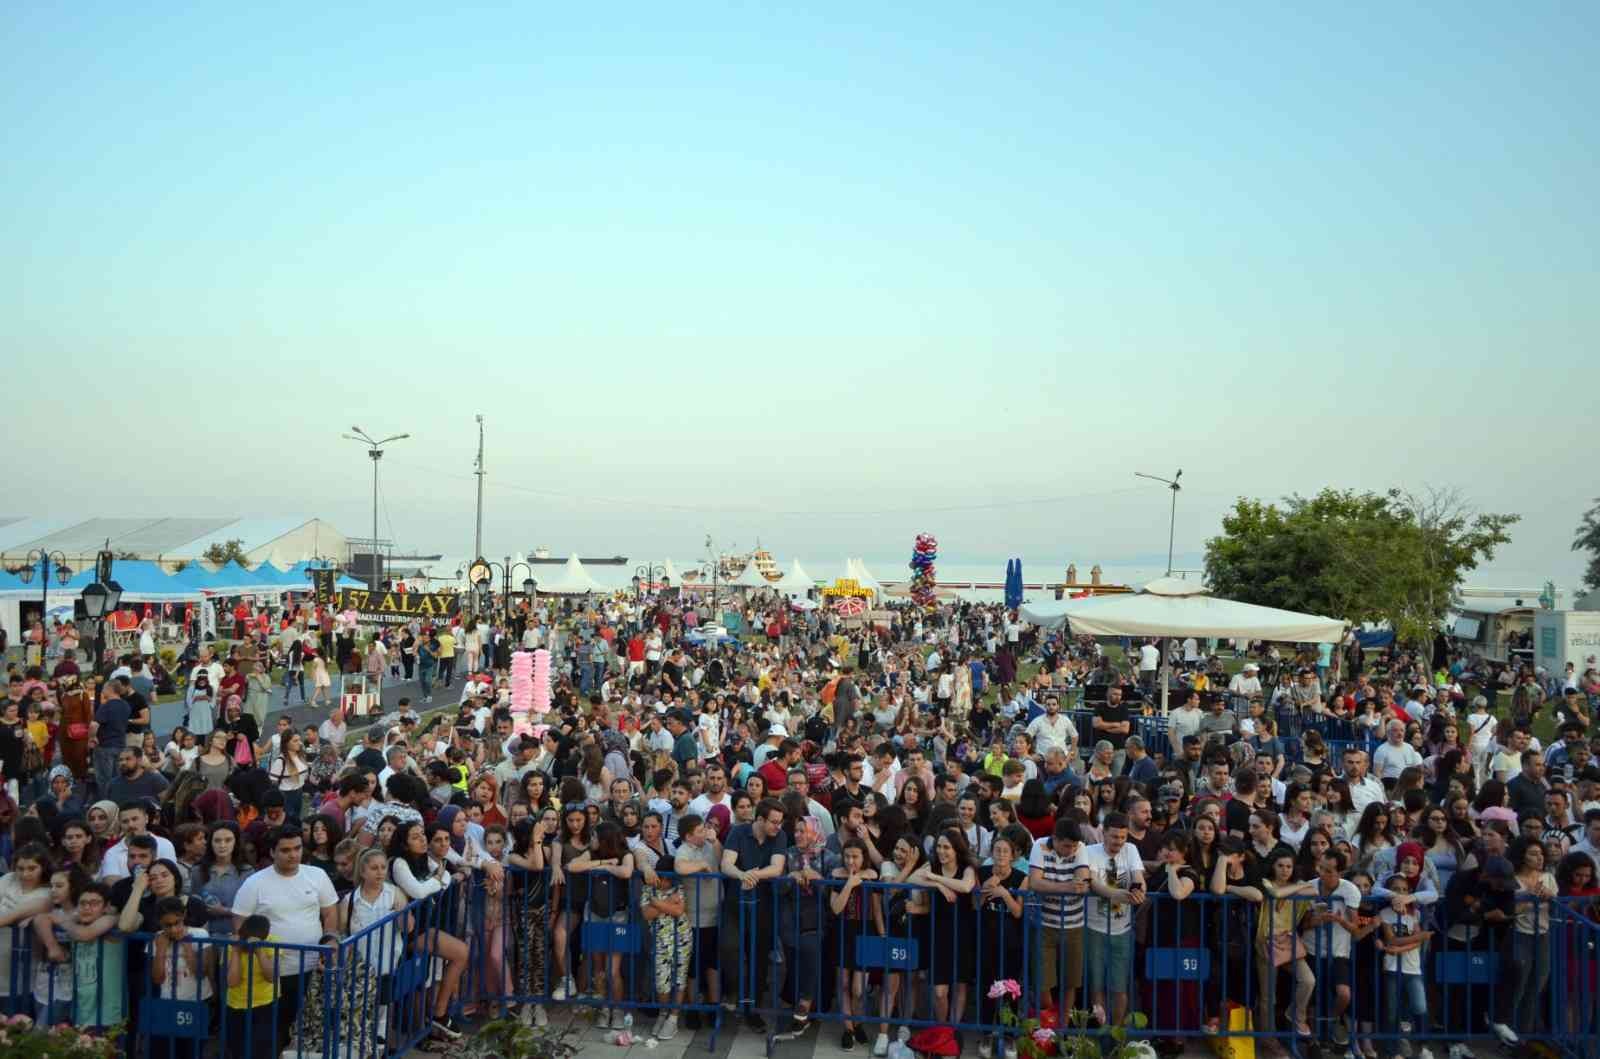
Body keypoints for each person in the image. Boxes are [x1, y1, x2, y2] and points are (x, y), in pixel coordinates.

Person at [231, 826, 340, 1047]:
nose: (293, 854)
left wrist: (330, 939)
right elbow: (240, 923)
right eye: (286, 850)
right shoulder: (254, 883)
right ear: (272, 852)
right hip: (270, 972)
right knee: (273, 1031)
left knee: (308, 1027)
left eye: (298, 848)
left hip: (312, 967)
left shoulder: (317, 876)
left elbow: (330, 912)